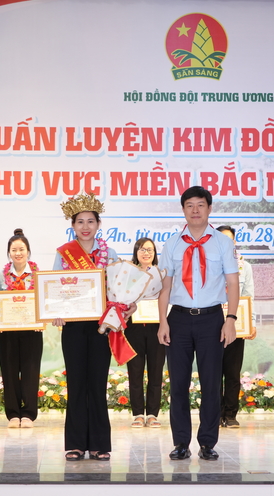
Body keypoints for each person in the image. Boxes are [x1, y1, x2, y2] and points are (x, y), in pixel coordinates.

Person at [157, 186, 240, 461]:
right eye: (189, 205)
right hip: (178, 319)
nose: (195, 210)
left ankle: (207, 442)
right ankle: (181, 442)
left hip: (212, 320)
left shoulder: (223, 243)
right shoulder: (172, 244)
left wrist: (230, 319)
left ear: (209, 208)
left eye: (200, 205)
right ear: (183, 209)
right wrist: (162, 322)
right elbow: (165, 286)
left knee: (211, 384)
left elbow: (232, 283)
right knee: (178, 384)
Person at [53, 192, 131, 461]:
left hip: (101, 327)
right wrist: (55, 312)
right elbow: (53, 289)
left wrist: (125, 306)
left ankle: (99, 443)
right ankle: (75, 443)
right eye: (80, 222)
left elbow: (120, 290)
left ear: (98, 224)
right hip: (73, 327)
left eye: (90, 221)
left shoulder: (110, 254)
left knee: (97, 384)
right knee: (76, 383)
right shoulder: (63, 254)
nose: (85, 227)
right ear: (72, 225)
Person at [0, 229, 41, 429]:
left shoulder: (37, 275)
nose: (18, 253)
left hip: (32, 332)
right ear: (9, 253)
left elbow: (43, 301)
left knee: (30, 371)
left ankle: (28, 414)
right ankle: (13, 414)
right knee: (9, 371)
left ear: (28, 251)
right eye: (14, 250)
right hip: (7, 332)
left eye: (21, 249)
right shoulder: (0, 275)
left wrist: (40, 320)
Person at [216, 225, 255, 429]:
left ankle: (230, 414)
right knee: (213, 372)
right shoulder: (208, 264)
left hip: (237, 325)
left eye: (229, 239)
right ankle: (214, 414)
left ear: (234, 242)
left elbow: (248, 296)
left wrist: (251, 323)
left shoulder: (244, 267)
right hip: (212, 325)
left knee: (232, 372)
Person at [126, 237, 165, 429]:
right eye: (142, 249)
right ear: (136, 252)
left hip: (157, 327)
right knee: (135, 371)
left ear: (155, 253)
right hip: (134, 327)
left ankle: (152, 414)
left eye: (150, 249)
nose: (146, 253)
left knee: (156, 371)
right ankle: (138, 414)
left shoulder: (162, 274)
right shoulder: (127, 274)